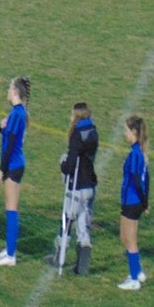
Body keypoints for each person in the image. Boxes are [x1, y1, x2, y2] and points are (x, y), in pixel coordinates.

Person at [0, 76, 29, 266]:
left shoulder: (17, 114)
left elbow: (10, 144)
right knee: (10, 209)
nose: (7, 91)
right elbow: (10, 136)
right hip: (16, 163)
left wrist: (1, 169)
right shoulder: (18, 113)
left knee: (11, 209)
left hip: (13, 165)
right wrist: (1, 127)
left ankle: (11, 255)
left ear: (15, 91)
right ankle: (9, 249)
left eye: (9, 87)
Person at [59, 102, 98, 275]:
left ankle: (59, 256)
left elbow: (72, 161)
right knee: (83, 222)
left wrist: (63, 166)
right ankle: (82, 263)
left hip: (76, 185)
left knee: (67, 219)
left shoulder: (77, 134)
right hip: (89, 184)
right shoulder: (93, 132)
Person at [117, 115, 150, 290]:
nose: (125, 134)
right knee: (126, 237)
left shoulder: (136, 154)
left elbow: (137, 180)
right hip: (134, 201)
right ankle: (138, 271)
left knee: (129, 240)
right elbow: (147, 179)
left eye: (126, 130)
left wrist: (143, 203)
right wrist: (146, 202)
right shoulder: (141, 152)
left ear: (134, 132)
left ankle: (134, 279)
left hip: (132, 201)